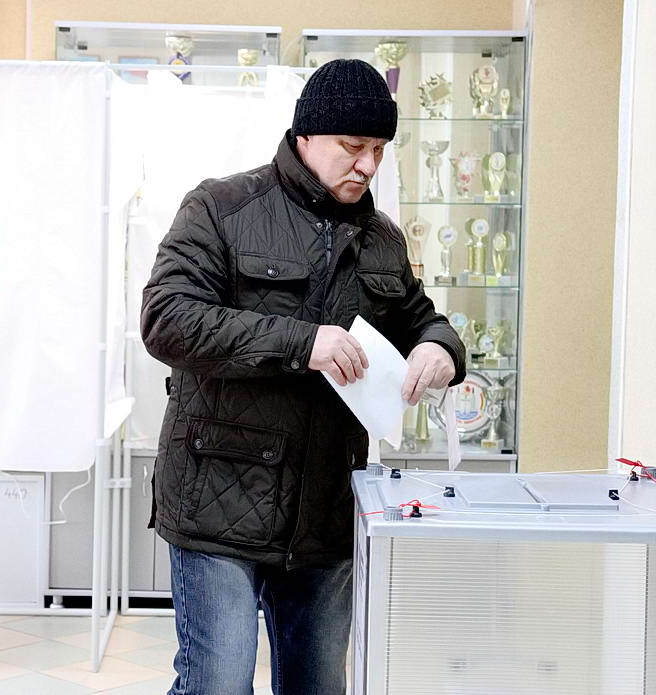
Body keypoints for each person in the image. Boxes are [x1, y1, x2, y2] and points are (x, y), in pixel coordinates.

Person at [141, 59, 466, 695]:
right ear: (305, 136)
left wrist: (441, 348)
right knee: (218, 684)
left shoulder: (382, 239)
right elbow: (168, 320)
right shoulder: (220, 207)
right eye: (353, 146)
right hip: (218, 497)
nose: (368, 165)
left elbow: (421, 317)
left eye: (379, 150)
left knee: (318, 686)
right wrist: (301, 342)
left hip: (326, 510)